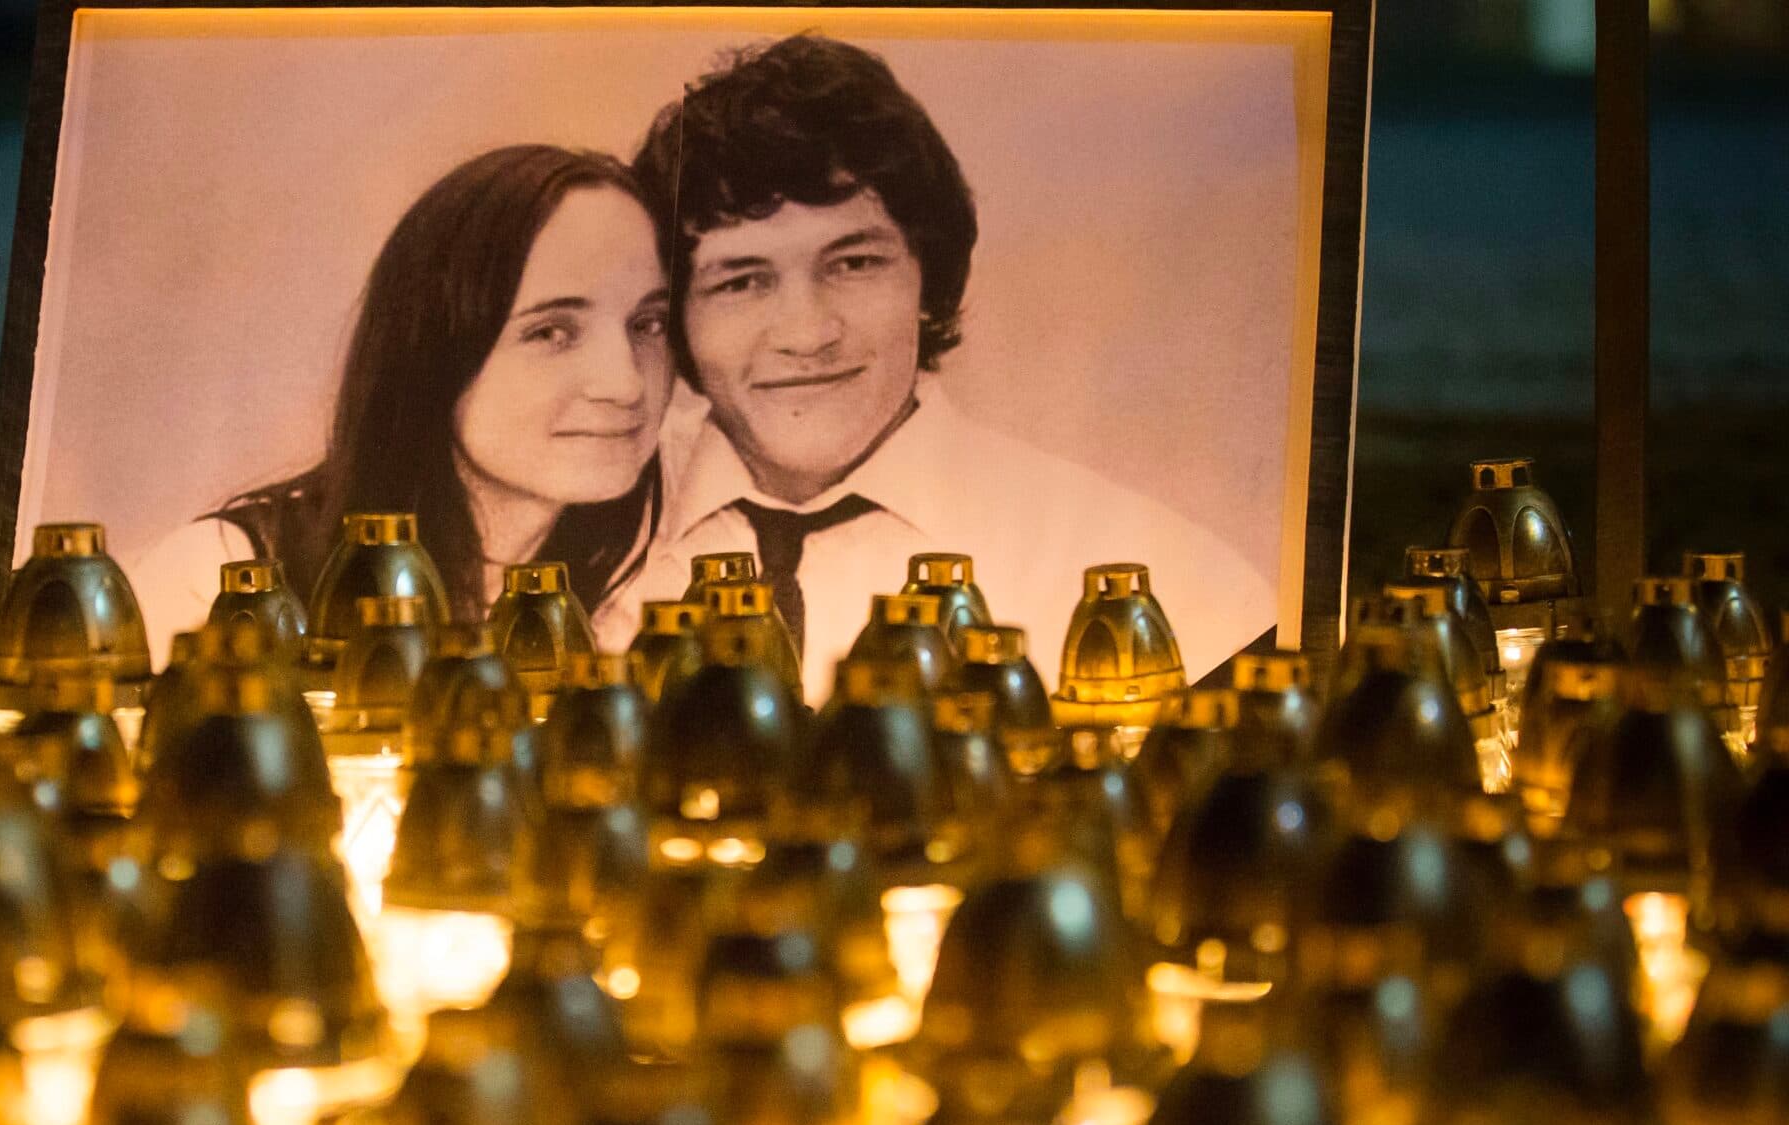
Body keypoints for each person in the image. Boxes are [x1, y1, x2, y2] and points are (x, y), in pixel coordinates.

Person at [606, 34, 1277, 704]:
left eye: (855, 263)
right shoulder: (579, 555)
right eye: (741, 282)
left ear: (928, 283)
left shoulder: (1178, 588)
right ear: (674, 319)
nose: (808, 334)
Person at [129, 145, 674, 654]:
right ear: (434, 351)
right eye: (551, 332)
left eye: (648, 323)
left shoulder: (652, 587)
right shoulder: (215, 581)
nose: (626, 384)